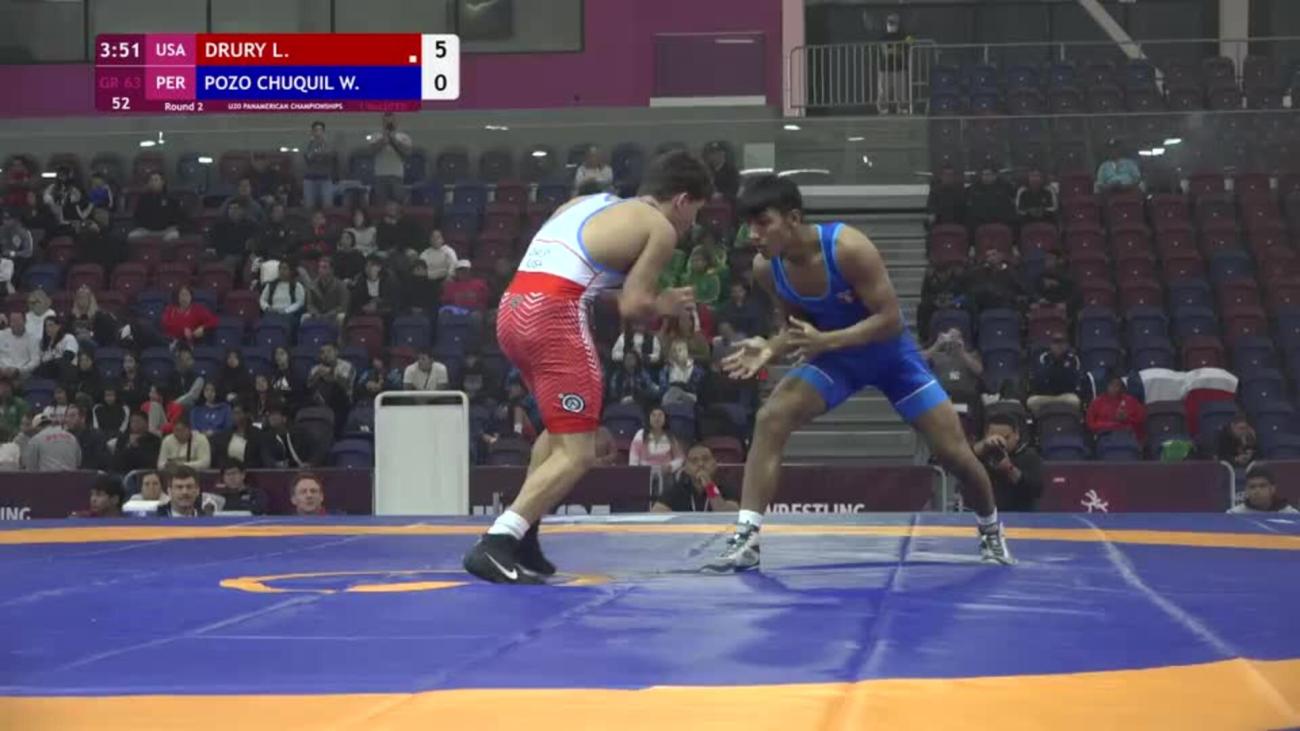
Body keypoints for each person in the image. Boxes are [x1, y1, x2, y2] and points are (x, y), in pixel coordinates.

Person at [706, 174, 1013, 571]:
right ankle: (746, 539)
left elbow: (890, 320)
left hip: (891, 358)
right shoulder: (767, 269)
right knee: (770, 418)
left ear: (793, 218)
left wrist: (827, 341)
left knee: (954, 454)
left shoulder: (848, 248)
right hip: (837, 360)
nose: (753, 235)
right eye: (749, 225)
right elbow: (797, 328)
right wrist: (770, 347)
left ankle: (991, 530)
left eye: (763, 223)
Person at [462, 150, 711, 584]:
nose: (692, 224)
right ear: (682, 200)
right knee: (579, 451)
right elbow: (633, 306)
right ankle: (497, 541)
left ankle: (524, 536)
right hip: (554, 316)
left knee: (557, 432)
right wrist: (665, 304)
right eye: (696, 212)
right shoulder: (660, 227)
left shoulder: (584, 203)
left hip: (513, 309)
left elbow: (579, 276)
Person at [972, 414, 1044, 512]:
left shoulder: (1029, 456)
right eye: (994, 437)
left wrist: (1009, 469)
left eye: (1006, 437)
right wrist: (984, 446)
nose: (1000, 442)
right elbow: (963, 458)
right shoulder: (981, 454)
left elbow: (1036, 490)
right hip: (984, 512)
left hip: (1019, 513)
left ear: (1016, 435)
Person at [1227, 465, 1297, 514]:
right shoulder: (1234, 515)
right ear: (1246, 490)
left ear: (1272, 489)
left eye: (1262, 486)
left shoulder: (1291, 514)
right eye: (1252, 487)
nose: (1257, 491)